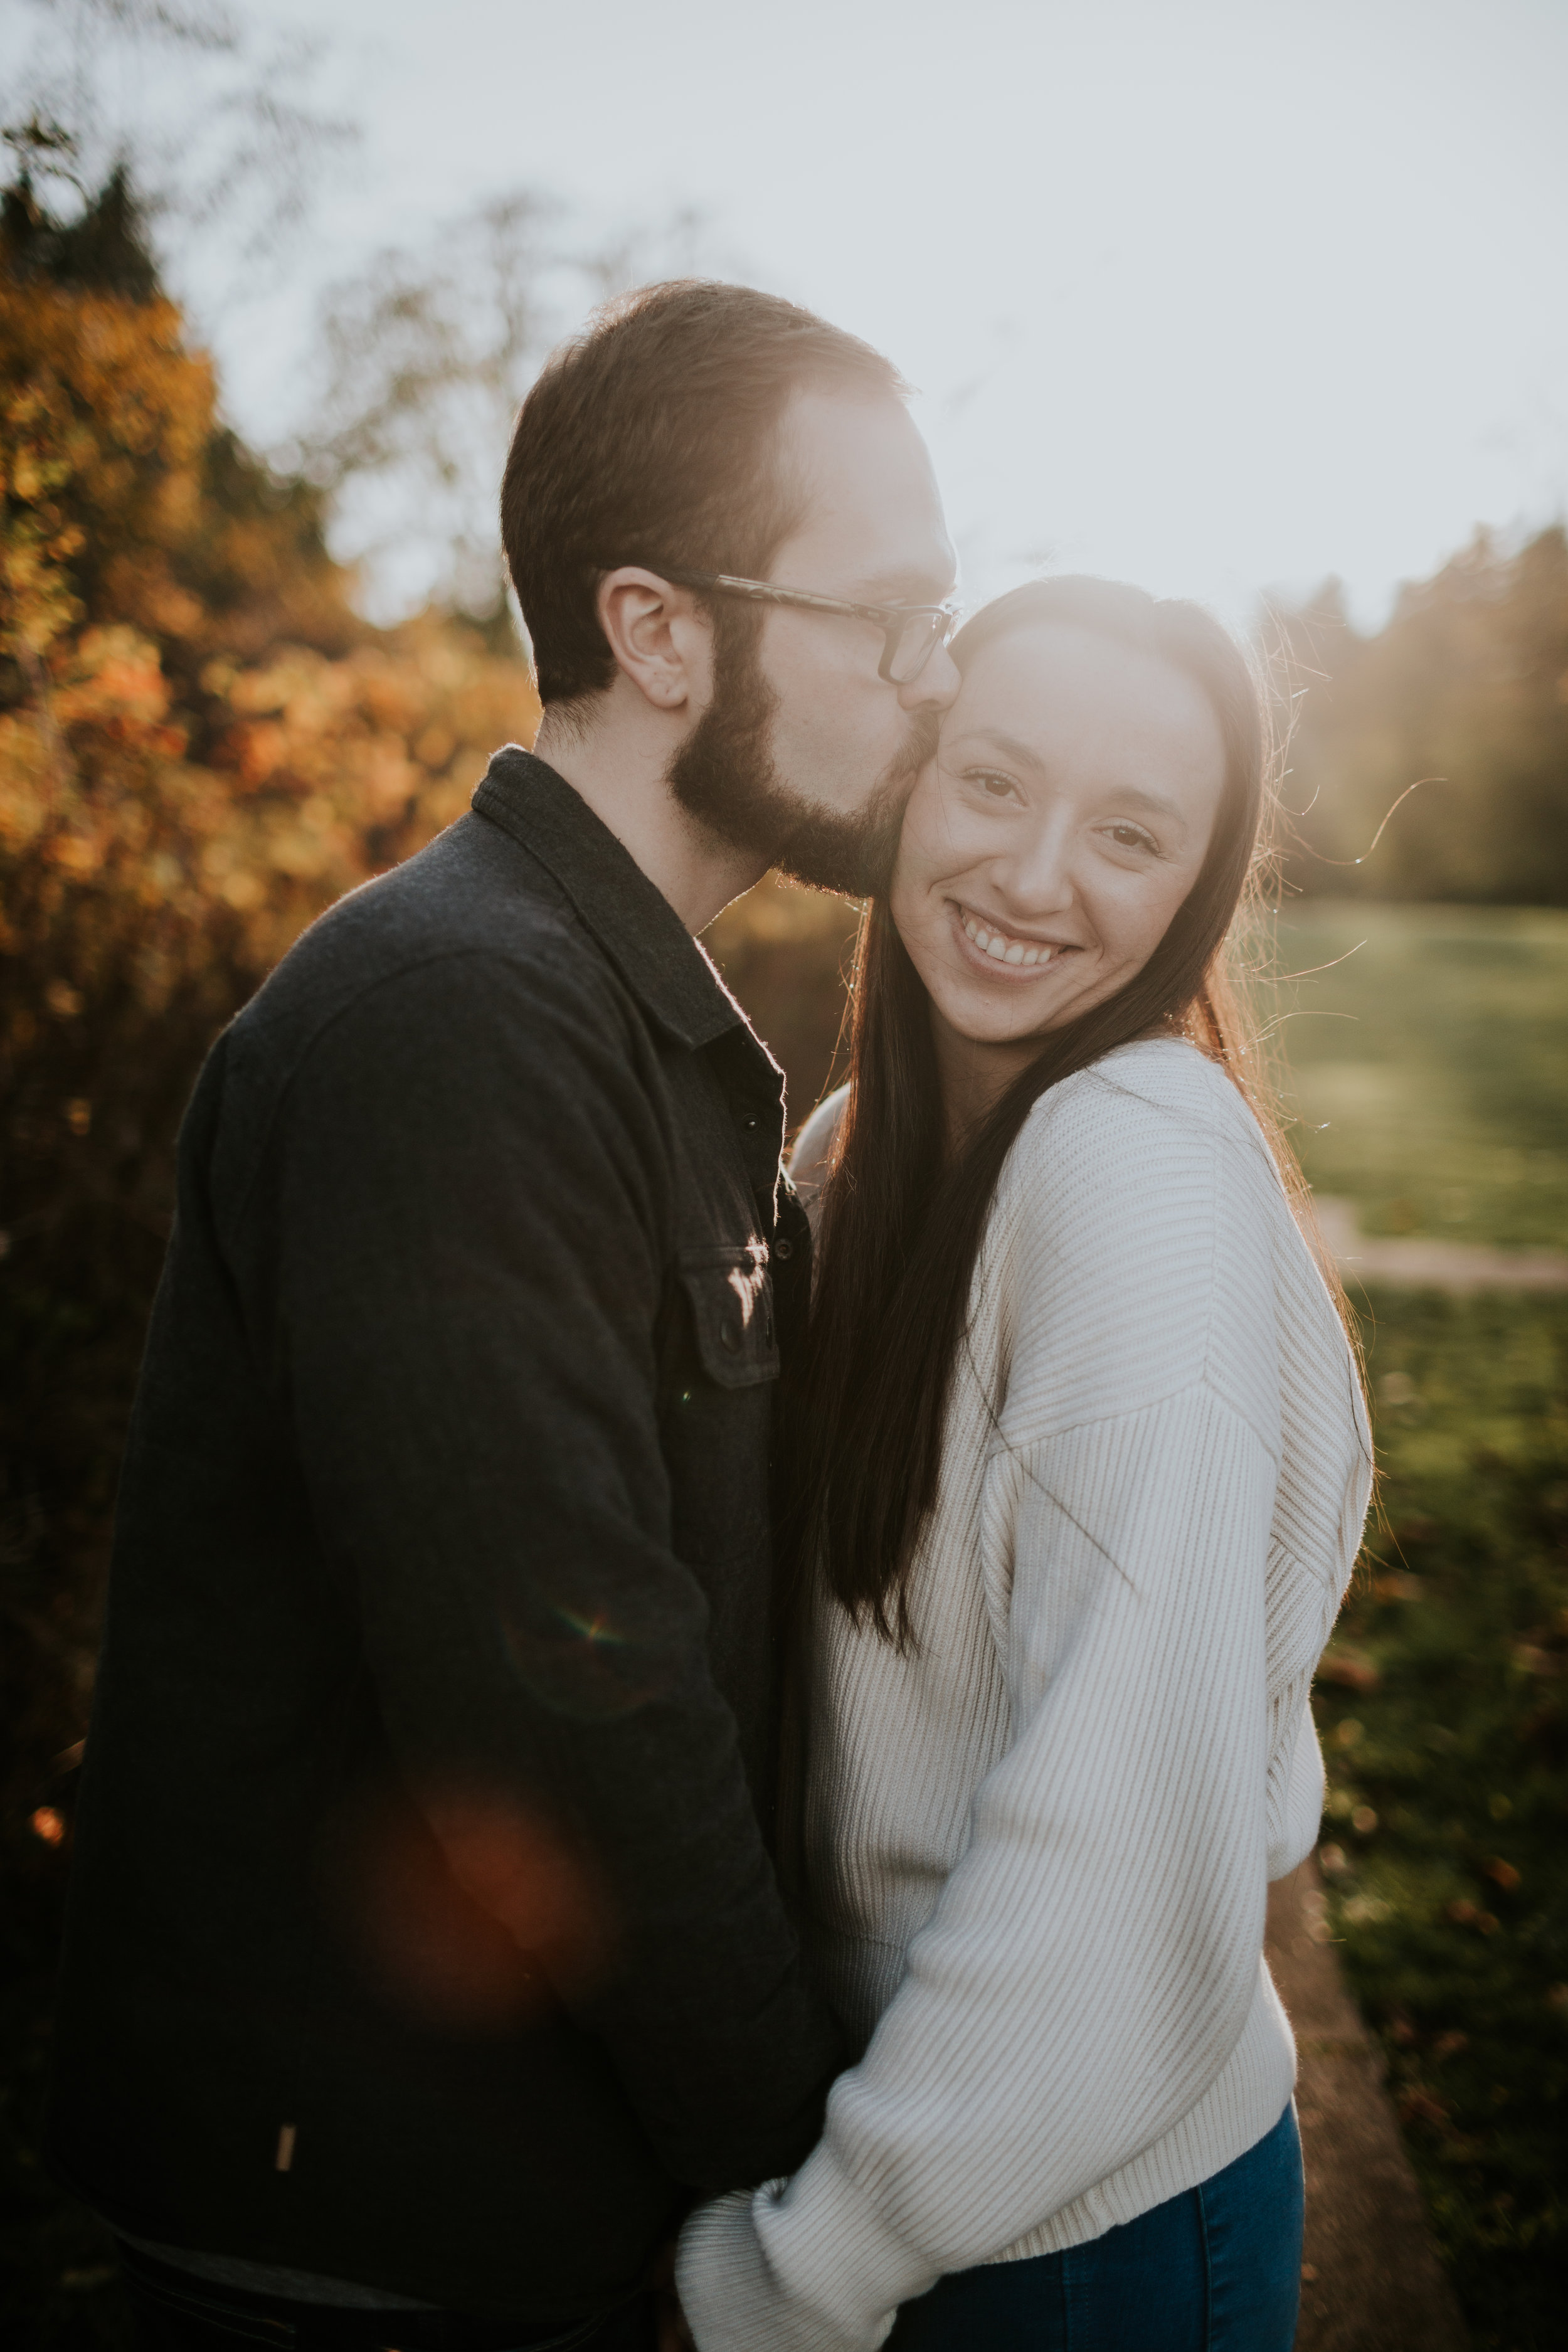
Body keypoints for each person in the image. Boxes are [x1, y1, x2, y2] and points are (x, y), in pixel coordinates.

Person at [44, 280, 960, 2349]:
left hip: (517, 2197)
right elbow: (566, 1696)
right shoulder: (455, 1020)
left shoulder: (625, 1019)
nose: (931, 680)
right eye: (882, 615)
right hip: (366, 2236)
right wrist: (809, 2173)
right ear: (657, 630)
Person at [676, 577, 1374, 2351]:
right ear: (908, 781)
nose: (1034, 875)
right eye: (992, 782)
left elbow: (1121, 1851)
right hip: (934, 2175)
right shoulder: (856, 1156)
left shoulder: (1126, 1174)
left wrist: (793, 2273)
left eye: (1129, 832)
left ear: (1194, 893)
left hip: (1072, 2241)